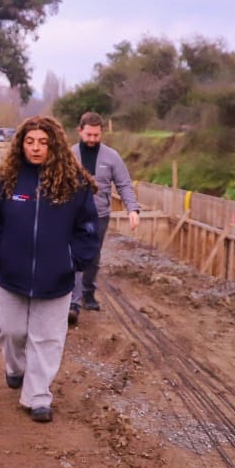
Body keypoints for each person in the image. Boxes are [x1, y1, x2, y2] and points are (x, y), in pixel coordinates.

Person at [0, 115, 100, 424]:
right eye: (30, 141)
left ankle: (37, 396)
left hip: (56, 277)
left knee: (47, 338)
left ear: (54, 145)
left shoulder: (74, 184)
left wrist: (73, 261)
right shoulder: (4, 180)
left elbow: (88, 228)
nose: (36, 148)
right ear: (21, 144)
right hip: (11, 274)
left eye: (43, 143)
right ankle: (16, 368)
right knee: (9, 330)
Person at [68, 111, 140, 323]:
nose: (92, 139)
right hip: (73, 214)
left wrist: (132, 209)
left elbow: (124, 184)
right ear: (80, 131)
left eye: (96, 135)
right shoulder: (69, 155)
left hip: (99, 215)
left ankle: (88, 292)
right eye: (88, 135)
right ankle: (73, 302)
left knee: (92, 256)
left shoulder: (111, 157)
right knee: (73, 254)